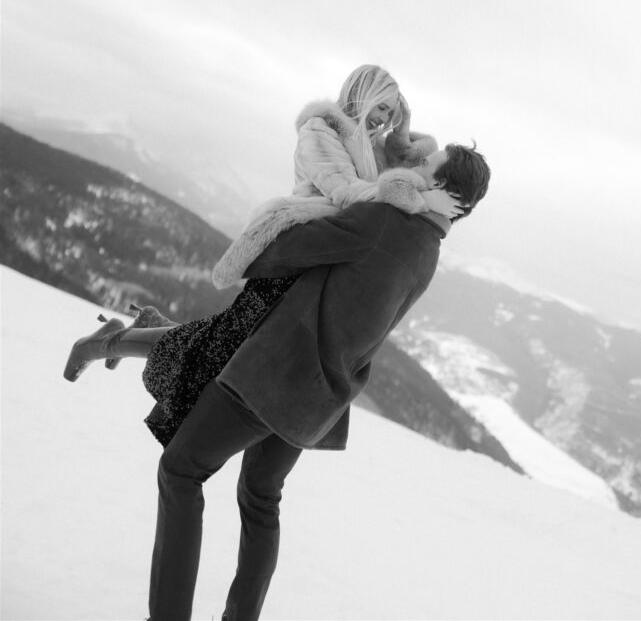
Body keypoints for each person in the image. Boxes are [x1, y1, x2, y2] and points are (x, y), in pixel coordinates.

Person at [148, 142, 491, 621]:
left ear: (436, 186)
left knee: (181, 470)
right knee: (261, 498)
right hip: (319, 402)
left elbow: (290, 249)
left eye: (424, 168)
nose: (413, 169)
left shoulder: (387, 222)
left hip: (274, 375)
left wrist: (265, 248)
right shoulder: (428, 248)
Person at [63, 65, 459, 447]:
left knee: (224, 343)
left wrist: (402, 134)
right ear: (361, 95)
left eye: (390, 113)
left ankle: (138, 330)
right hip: (296, 256)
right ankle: (102, 344)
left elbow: (415, 164)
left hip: (325, 263)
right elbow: (345, 191)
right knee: (219, 348)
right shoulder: (320, 131)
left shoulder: (372, 146)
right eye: (380, 108)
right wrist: (399, 194)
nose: (383, 120)